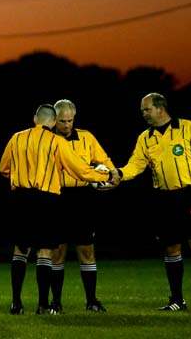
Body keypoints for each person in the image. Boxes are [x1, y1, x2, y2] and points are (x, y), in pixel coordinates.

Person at [109, 93, 191, 312]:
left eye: (146, 109)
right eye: (142, 110)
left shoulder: (187, 127)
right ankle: (177, 300)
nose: (143, 114)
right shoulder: (145, 138)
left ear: (160, 108)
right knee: (171, 247)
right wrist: (119, 173)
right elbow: (136, 165)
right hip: (165, 200)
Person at [0, 104, 112, 315]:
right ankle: (43, 304)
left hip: (21, 199)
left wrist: (20, 176)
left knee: (20, 250)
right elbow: (80, 171)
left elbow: (3, 168)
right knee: (45, 251)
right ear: (53, 122)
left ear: (35, 118)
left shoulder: (16, 138)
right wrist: (107, 176)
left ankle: (16, 303)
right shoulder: (57, 142)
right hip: (47, 199)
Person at [49, 99, 112, 313]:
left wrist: (111, 175)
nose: (67, 125)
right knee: (57, 252)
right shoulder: (47, 139)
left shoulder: (86, 137)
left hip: (83, 198)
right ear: (54, 119)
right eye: (62, 121)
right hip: (56, 198)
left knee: (86, 249)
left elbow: (104, 160)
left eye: (70, 120)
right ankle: (56, 303)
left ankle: (92, 300)